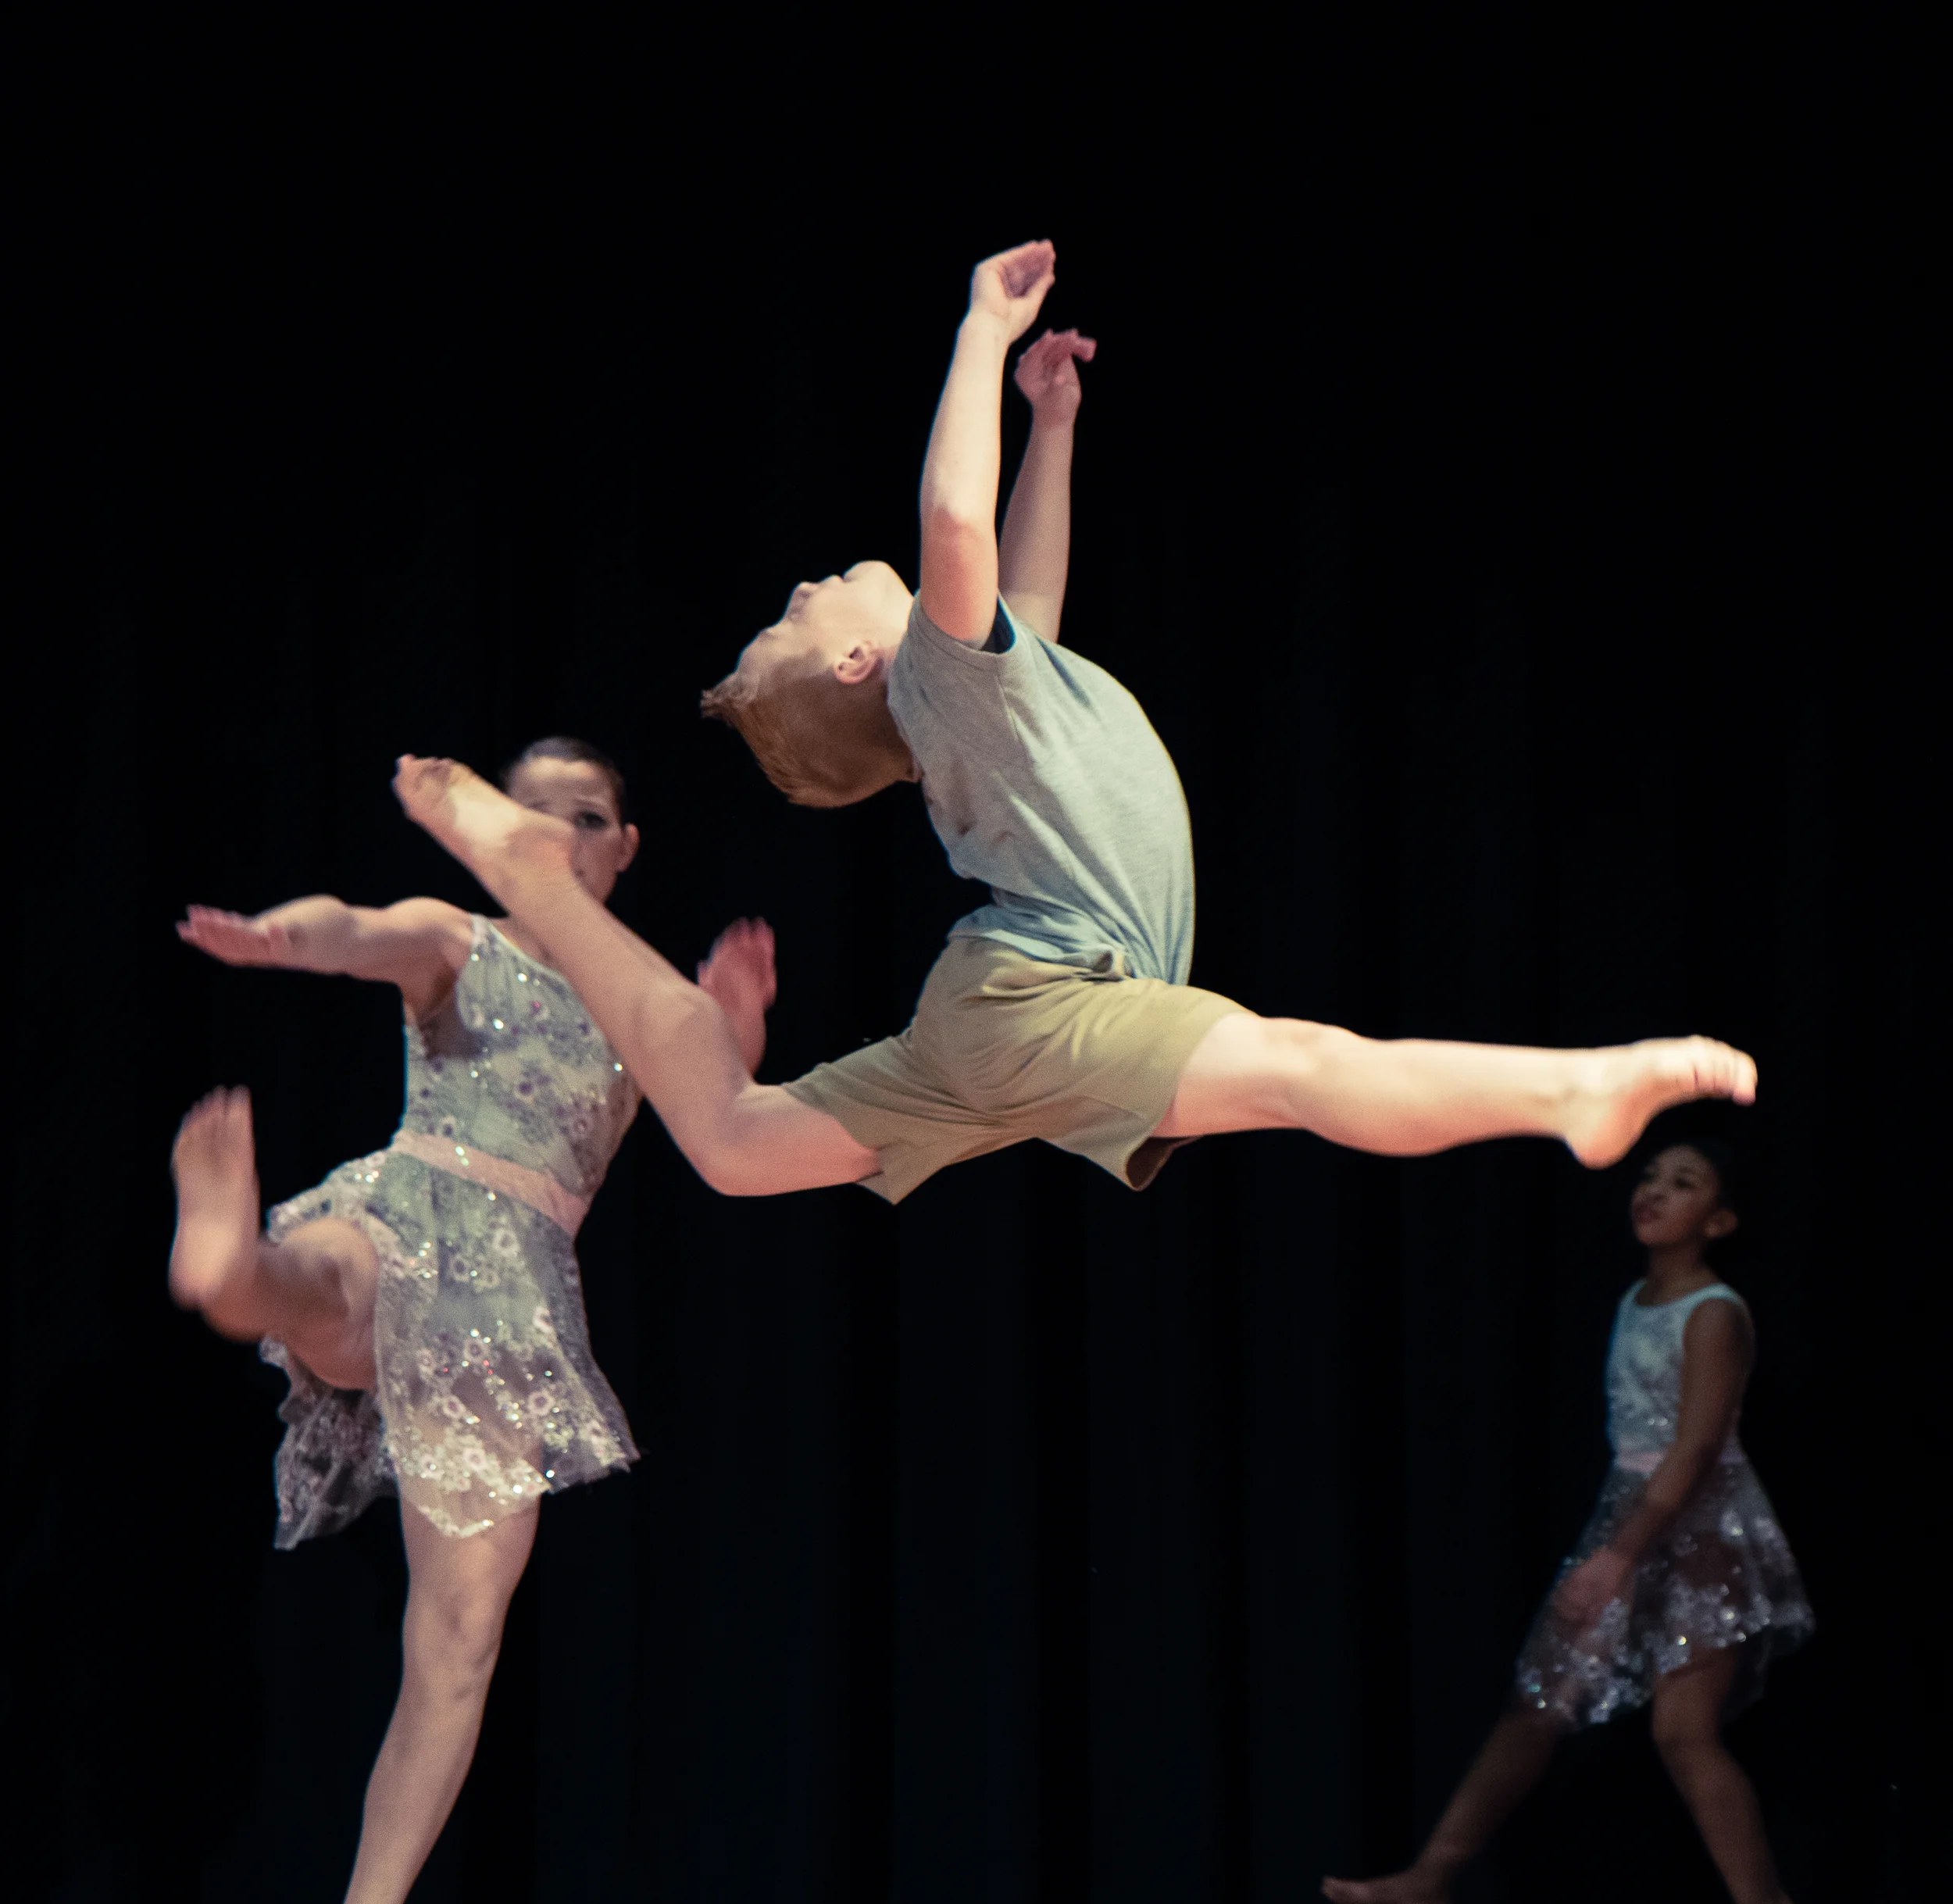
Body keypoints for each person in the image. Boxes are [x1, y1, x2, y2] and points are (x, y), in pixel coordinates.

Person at [388, 241, 1756, 1210]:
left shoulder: (988, 686)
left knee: (740, 1145)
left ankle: (537, 884)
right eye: (798, 612)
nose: (805, 583)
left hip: (1018, 1007)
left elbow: (1025, 591)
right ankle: (1571, 1091)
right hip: (1043, 995)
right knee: (1303, 1065)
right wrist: (980, 335)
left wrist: (1054, 427)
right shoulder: (938, 672)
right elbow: (955, 523)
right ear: (865, 659)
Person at [167, 737, 772, 1904]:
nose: (553, 836)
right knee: (328, 1286)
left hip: (511, 1303)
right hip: (415, 1204)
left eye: (584, 817)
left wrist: (737, 1016)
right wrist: (280, 940)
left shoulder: (644, 1003)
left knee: (457, 1645)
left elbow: (722, 1098)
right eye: (525, 813)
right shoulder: (463, 938)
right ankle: (229, 1267)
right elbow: (362, 931)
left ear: (624, 848)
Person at [1322, 1138, 1815, 1904]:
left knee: (1683, 1731)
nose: (1654, 1189)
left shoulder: (1715, 1311)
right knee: (1538, 1701)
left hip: (1703, 1530)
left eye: (1683, 1182)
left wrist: (1617, 1556)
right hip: (1632, 1512)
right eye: (1651, 1175)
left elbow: (1695, 1448)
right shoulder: (1635, 1297)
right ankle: (1430, 1877)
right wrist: (1616, 1544)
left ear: (1720, 1219)